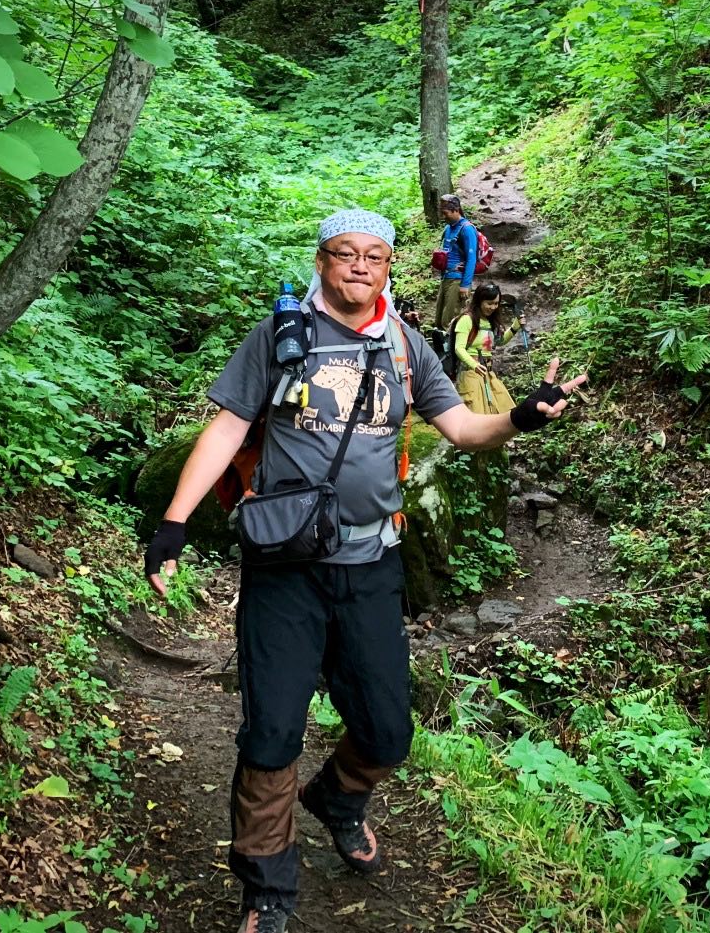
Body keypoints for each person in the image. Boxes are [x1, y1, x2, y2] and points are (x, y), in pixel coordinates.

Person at [142, 209, 585, 933]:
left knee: (387, 732)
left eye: (374, 256)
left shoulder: (407, 346)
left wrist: (523, 417)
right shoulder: (281, 336)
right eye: (344, 253)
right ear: (322, 261)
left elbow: (465, 431)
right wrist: (174, 520)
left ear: (387, 267)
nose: (359, 265)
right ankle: (268, 891)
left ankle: (338, 799)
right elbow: (225, 426)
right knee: (270, 734)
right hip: (285, 567)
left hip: (372, 561)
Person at [453, 282, 526, 415]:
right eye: (489, 303)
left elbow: (500, 340)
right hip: (470, 373)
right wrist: (474, 365)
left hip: (488, 372)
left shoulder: (491, 322)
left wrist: (515, 327)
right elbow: (459, 348)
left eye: (496, 303)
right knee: (476, 414)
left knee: (503, 408)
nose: (493, 307)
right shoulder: (466, 320)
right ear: (480, 301)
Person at [431, 194, 477, 331]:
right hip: (446, 278)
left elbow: (471, 258)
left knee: (449, 322)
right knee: (439, 321)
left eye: (445, 213)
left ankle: (454, 350)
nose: (443, 217)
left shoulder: (467, 229)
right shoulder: (448, 228)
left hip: (457, 280)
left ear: (456, 210)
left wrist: (465, 285)